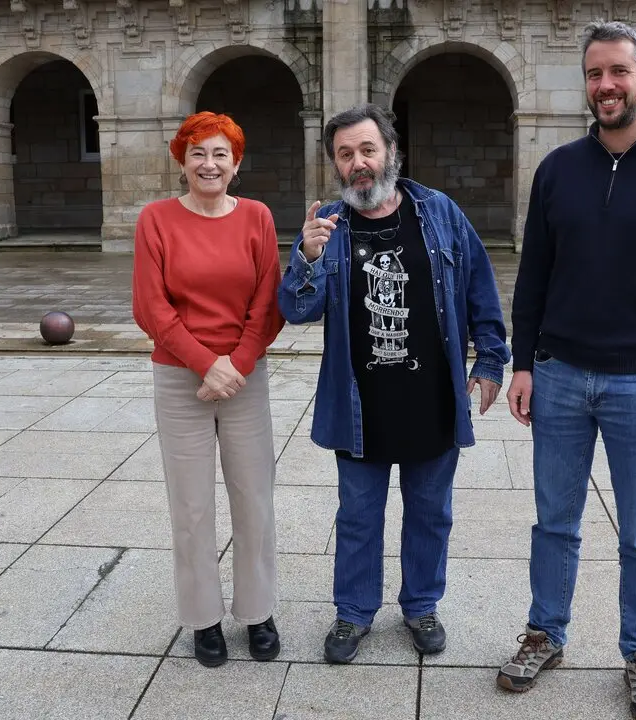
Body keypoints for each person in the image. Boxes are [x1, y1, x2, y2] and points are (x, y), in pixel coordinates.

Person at [495, 20, 636, 720]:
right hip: (559, 376)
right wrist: (524, 363)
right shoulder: (558, 169)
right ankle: (545, 633)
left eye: (619, 72)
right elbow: (533, 273)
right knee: (554, 522)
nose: (606, 86)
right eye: (595, 74)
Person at [277, 103, 510, 664]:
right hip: (360, 405)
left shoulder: (440, 212)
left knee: (431, 511)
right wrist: (307, 256)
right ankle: (354, 613)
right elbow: (294, 308)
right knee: (357, 515)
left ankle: (421, 605)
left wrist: (490, 361)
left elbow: (481, 288)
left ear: (389, 151)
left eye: (367, 150)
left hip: (431, 399)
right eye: (345, 154)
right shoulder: (327, 226)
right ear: (335, 164)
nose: (358, 163)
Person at [131, 111, 286, 668]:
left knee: (254, 499)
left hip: (244, 376)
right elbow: (150, 307)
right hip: (180, 379)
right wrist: (204, 364)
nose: (209, 163)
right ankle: (202, 618)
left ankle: (258, 610)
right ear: (182, 161)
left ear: (236, 163)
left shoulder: (258, 219)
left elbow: (267, 303)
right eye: (198, 153)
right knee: (192, 506)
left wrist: (235, 365)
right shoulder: (156, 220)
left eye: (220, 154)